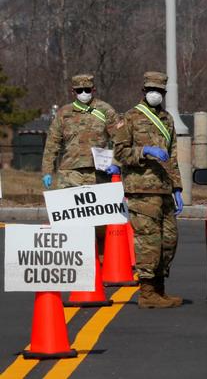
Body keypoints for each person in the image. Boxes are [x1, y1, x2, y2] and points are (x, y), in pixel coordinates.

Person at [113, 71, 184, 309]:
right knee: (149, 242)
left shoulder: (167, 119)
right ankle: (147, 292)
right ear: (143, 91)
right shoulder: (130, 117)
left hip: (164, 189)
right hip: (141, 189)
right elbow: (120, 153)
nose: (155, 94)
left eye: (159, 91)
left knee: (169, 241)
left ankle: (160, 289)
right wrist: (144, 151)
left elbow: (173, 156)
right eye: (151, 90)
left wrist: (177, 187)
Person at [41, 74, 120, 189]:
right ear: (73, 92)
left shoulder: (105, 110)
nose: (84, 93)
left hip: (98, 173)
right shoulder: (63, 113)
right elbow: (52, 144)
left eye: (87, 90)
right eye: (79, 90)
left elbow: (120, 139)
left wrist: (116, 163)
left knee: (97, 207)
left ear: (93, 90)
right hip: (69, 174)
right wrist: (47, 171)